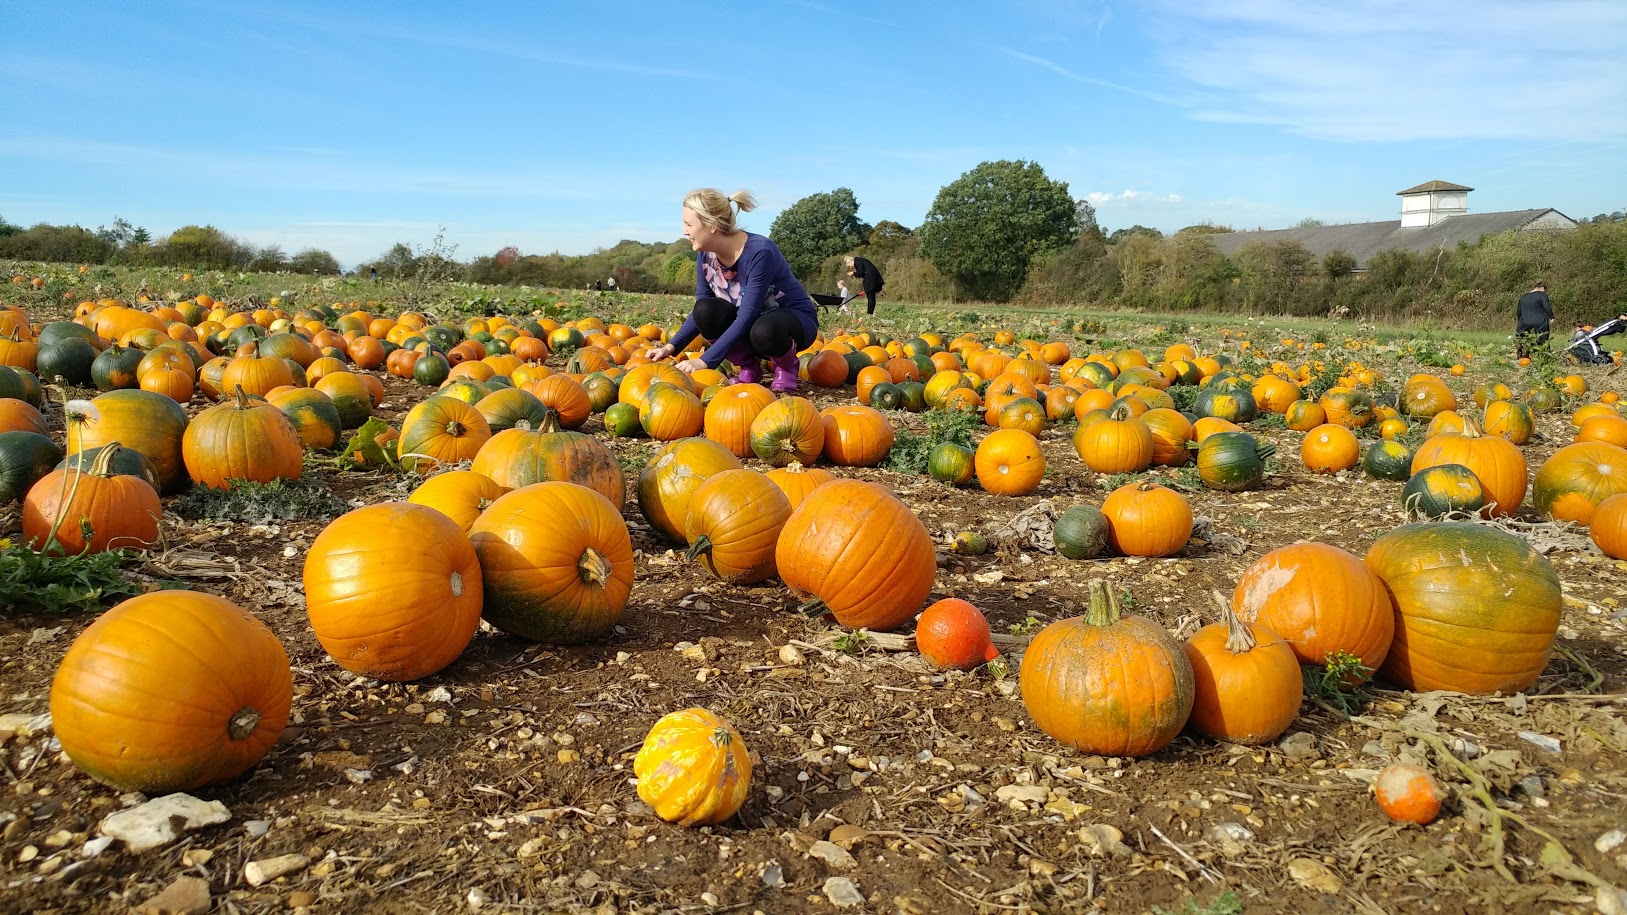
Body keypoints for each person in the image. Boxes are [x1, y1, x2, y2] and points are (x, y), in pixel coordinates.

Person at [644, 188, 818, 393]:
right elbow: (701, 310)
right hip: (752, 326)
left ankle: (787, 366)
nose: (684, 231)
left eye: (689, 224)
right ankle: (749, 367)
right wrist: (671, 347)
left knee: (764, 329)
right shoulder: (705, 255)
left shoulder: (759, 252)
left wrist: (705, 361)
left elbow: (747, 315)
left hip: (791, 322)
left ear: (712, 225)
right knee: (705, 310)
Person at [1515, 281, 1553, 358]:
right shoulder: (1542, 295)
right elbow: (1546, 306)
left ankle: (1522, 356)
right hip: (1540, 322)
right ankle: (1544, 357)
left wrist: (1520, 321)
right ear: (1542, 288)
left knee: (1524, 340)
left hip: (1524, 322)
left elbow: (1519, 311)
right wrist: (1552, 317)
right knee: (1543, 340)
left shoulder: (1523, 297)